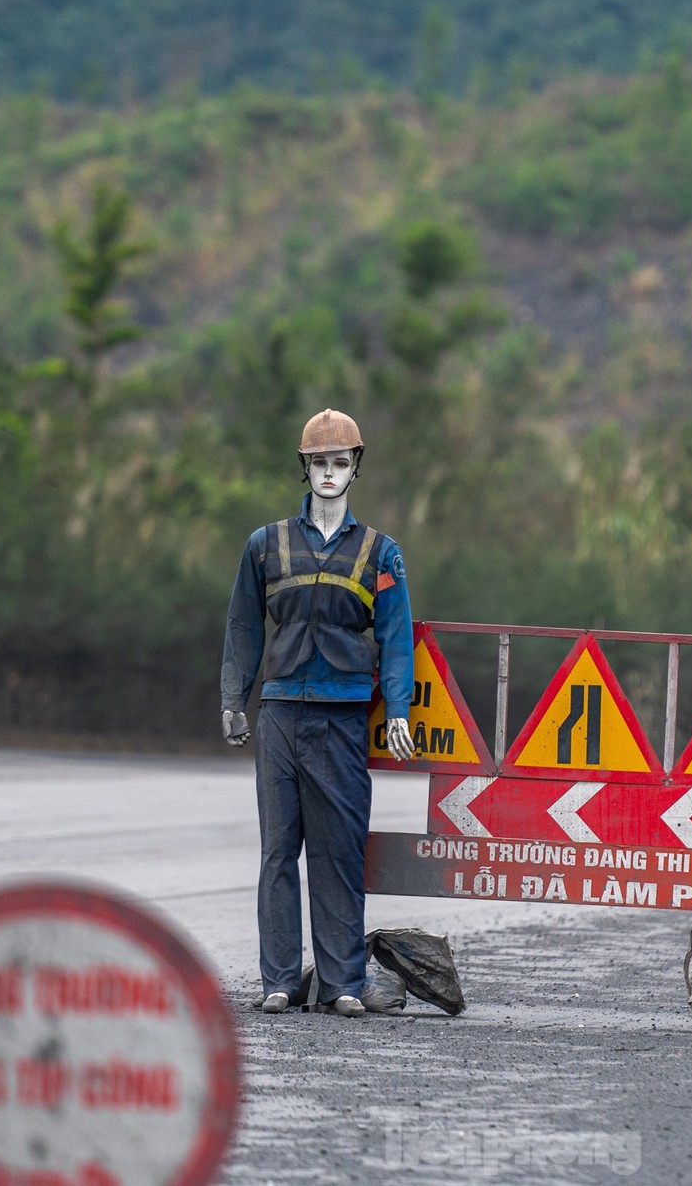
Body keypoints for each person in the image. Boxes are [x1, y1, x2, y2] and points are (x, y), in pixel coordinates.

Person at [219, 409, 415, 1018]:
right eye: (318, 463)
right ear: (303, 468)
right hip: (279, 716)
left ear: (355, 467)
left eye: (339, 462)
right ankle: (278, 981)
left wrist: (400, 709)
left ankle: (342, 985)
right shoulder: (265, 545)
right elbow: (244, 627)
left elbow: (397, 638)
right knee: (278, 851)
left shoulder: (381, 553)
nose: (329, 473)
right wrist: (233, 697)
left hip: (343, 717)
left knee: (337, 850)